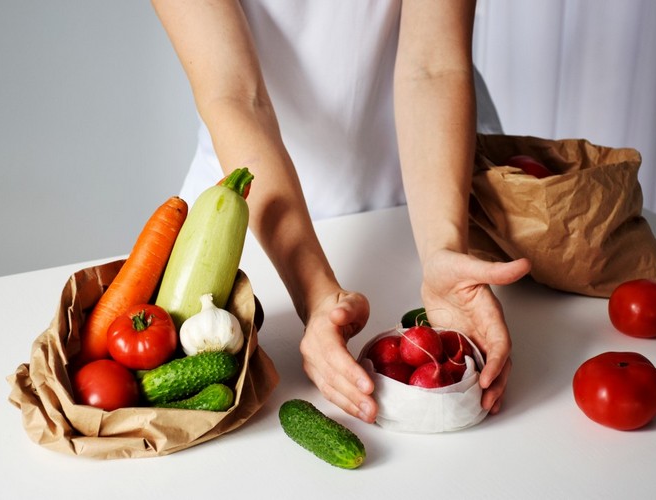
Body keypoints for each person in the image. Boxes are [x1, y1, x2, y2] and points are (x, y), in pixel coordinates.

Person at [151, 0, 531, 424]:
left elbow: (433, 67)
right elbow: (237, 96)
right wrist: (317, 298)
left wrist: (444, 248)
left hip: (420, 197)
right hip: (248, 214)